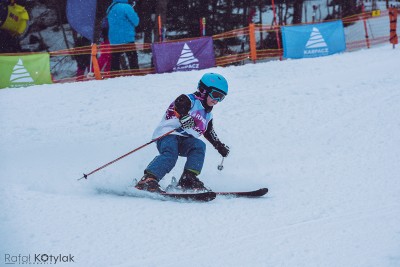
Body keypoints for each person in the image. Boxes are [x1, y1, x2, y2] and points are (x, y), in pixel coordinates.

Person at [135, 73, 231, 193]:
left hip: (185, 141)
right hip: (168, 136)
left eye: (221, 98)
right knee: (171, 154)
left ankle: (188, 179)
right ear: (203, 90)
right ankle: (149, 179)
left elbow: (209, 132)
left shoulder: (208, 115)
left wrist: (219, 146)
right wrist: (184, 116)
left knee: (199, 146)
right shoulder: (189, 99)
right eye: (215, 95)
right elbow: (179, 105)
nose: (217, 100)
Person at [107, 0, 139, 71]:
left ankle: (114, 76)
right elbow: (136, 21)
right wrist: (133, 11)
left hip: (114, 39)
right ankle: (136, 75)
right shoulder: (127, 7)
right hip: (127, 37)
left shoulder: (111, 7)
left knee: (115, 59)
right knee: (132, 58)